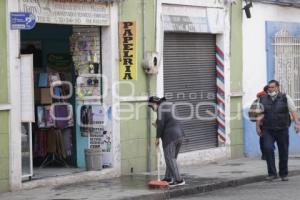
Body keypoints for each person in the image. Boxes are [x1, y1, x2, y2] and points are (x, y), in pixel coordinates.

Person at [256, 80, 300, 181]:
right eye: (269, 87)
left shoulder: (285, 98)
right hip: (268, 129)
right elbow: (259, 114)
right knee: (267, 148)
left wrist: (297, 124)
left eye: (272, 87)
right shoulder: (262, 99)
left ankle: (283, 174)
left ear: (277, 87)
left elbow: (293, 111)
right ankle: (272, 173)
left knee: (283, 151)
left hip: (282, 129)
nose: (270, 89)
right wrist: (258, 127)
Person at [148, 96, 185, 186]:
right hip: (180, 135)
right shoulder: (169, 105)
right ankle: (168, 178)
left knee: (169, 158)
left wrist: (157, 138)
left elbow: (160, 124)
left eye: (151, 106)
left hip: (170, 136)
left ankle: (179, 180)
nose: (152, 109)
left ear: (155, 104)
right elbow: (168, 119)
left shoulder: (160, 108)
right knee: (172, 159)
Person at [256, 85, 269, 160]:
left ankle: (264, 154)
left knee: (263, 139)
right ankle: (265, 154)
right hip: (264, 123)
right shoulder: (263, 99)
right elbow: (259, 114)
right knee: (265, 139)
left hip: (263, 123)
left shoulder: (260, 98)